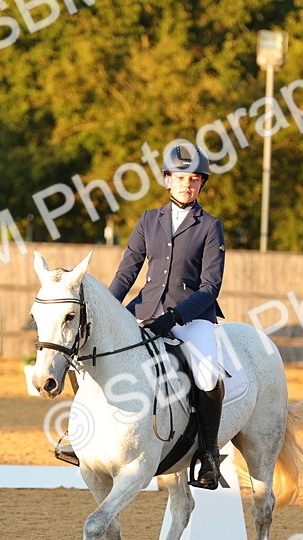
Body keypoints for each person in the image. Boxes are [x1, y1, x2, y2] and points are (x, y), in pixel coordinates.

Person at [108, 143, 227, 490]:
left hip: (191, 317)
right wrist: (110, 310)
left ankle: (208, 454)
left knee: (206, 375)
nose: (186, 185)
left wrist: (175, 316)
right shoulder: (148, 220)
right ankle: (84, 438)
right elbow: (127, 272)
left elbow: (210, 286)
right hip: (144, 310)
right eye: (180, 178)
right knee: (96, 353)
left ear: (201, 184)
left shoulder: (210, 227)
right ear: (166, 181)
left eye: (194, 179)